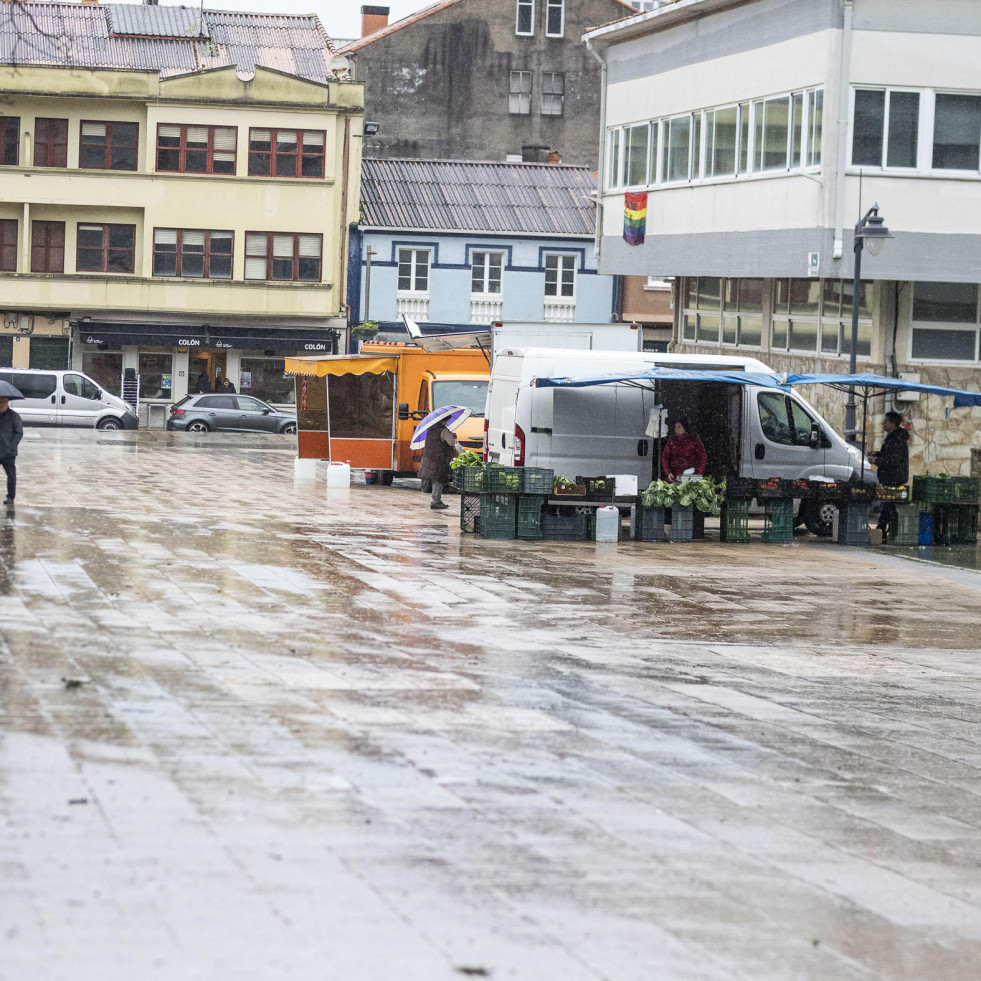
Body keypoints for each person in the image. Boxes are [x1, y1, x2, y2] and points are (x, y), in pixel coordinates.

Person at [869, 410, 909, 543]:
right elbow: (888, 454)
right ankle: (882, 530)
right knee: (886, 506)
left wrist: (877, 461)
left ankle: (882, 530)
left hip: (894, 478)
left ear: (893, 424)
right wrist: (877, 454)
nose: (884, 424)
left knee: (886, 506)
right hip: (888, 478)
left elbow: (893, 460)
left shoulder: (897, 439)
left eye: (886, 422)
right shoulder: (892, 438)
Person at [418, 419, 457, 509]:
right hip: (439, 460)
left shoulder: (430, 430)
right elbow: (451, 442)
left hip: (429, 458)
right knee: (438, 479)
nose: (446, 422)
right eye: (446, 421)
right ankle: (435, 501)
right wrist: (451, 435)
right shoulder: (443, 430)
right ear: (443, 421)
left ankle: (436, 500)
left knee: (434, 479)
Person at [662, 416, 707, 483]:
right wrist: (668, 472)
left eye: (679, 427)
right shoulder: (672, 439)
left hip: (690, 476)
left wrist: (699, 473)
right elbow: (665, 457)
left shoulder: (694, 440)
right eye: (675, 427)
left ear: (685, 429)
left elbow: (703, 457)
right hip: (673, 476)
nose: (676, 429)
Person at [0, 395, 24, 506]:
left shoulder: (14, 416)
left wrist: (12, 447)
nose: (1, 402)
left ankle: (10, 497)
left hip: (8, 452)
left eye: (3, 401)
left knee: (11, 475)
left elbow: (19, 432)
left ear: (7, 402)